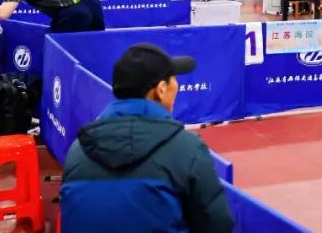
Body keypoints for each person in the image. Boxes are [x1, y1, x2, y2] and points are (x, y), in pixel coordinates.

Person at [61, 43, 234, 233]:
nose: (176, 85)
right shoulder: (189, 150)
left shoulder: (78, 151)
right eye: (173, 78)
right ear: (161, 90)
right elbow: (218, 225)